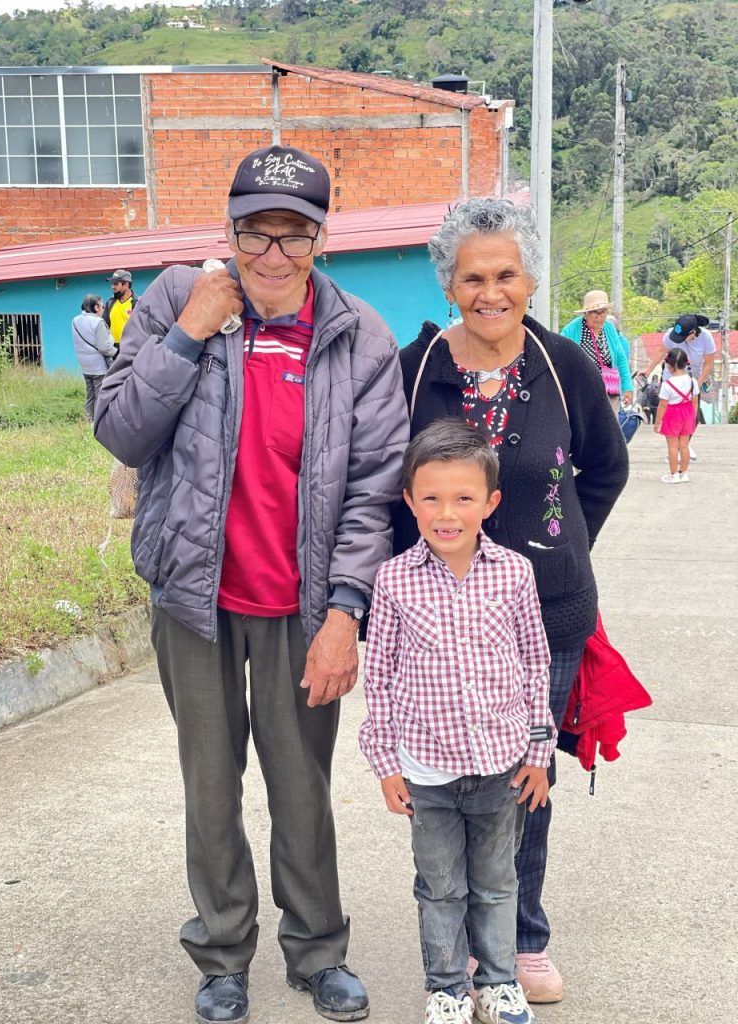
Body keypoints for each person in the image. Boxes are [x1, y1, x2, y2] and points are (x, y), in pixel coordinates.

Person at [94, 144, 410, 1024]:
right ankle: (223, 953)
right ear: (228, 230)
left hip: (301, 607)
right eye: (253, 233)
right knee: (210, 780)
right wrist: (192, 331)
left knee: (301, 785)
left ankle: (316, 952)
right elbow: (122, 432)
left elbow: (373, 490)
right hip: (193, 596)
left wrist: (347, 610)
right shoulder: (169, 301)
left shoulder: (360, 337)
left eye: (293, 235)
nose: (271, 254)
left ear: (319, 239)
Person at [394, 198, 629, 1005]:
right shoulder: (417, 372)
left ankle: (523, 937)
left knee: (523, 781)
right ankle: (460, 947)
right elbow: (392, 489)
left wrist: (561, 554)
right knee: (447, 787)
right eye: (473, 277)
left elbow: (605, 469)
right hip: (438, 625)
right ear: (449, 285)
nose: (490, 291)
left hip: (548, 622)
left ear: (529, 279)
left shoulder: (563, 364)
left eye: (506, 275)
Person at [360, 419, 555, 1024]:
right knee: (439, 886)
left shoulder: (514, 574)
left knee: (498, 884)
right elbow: (381, 676)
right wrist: (386, 763)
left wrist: (538, 755)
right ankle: (446, 987)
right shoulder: (393, 580)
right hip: (427, 770)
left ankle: (499, 983)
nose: (447, 513)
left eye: (464, 498)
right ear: (410, 501)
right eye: (432, 498)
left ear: (490, 503)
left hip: (501, 767)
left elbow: (535, 663)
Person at [642, 313, 716, 460]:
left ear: (693, 333)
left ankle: (684, 445)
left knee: (691, 416)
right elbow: (661, 351)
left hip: (693, 380)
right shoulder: (672, 334)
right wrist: (648, 369)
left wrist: (697, 384)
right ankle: (675, 448)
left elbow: (708, 364)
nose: (679, 340)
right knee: (671, 415)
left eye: (682, 337)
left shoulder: (706, 338)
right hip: (672, 379)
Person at [560, 290, 634, 409]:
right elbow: (561, 360)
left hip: (609, 391)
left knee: (609, 426)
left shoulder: (609, 328)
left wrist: (627, 387)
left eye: (603, 312)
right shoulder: (571, 330)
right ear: (586, 313)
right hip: (582, 393)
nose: (599, 317)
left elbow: (621, 359)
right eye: (595, 313)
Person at [654, 347, 698, 484]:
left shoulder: (667, 385)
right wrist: (692, 417)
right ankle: (684, 473)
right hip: (688, 413)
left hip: (672, 415)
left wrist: (657, 423)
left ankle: (673, 475)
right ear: (686, 363)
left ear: (669, 366)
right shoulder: (692, 381)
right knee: (684, 445)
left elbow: (662, 405)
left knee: (672, 446)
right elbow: (695, 401)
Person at [71, 293, 115, 420]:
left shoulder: (75, 320)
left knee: (90, 395)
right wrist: (115, 351)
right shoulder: (98, 322)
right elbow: (104, 347)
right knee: (100, 394)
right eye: (102, 307)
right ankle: (98, 422)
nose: (103, 310)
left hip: (85, 365)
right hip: (98, 366)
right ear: (96, 307)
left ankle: (88, 418)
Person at [103, 269, 137, 350]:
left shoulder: (138, 304)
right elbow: (104, 327)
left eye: (115, 284)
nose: (112, 287)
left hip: (132, 348)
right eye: (112, 284)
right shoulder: (110, 303)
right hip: (114, 350)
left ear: (126, 285)